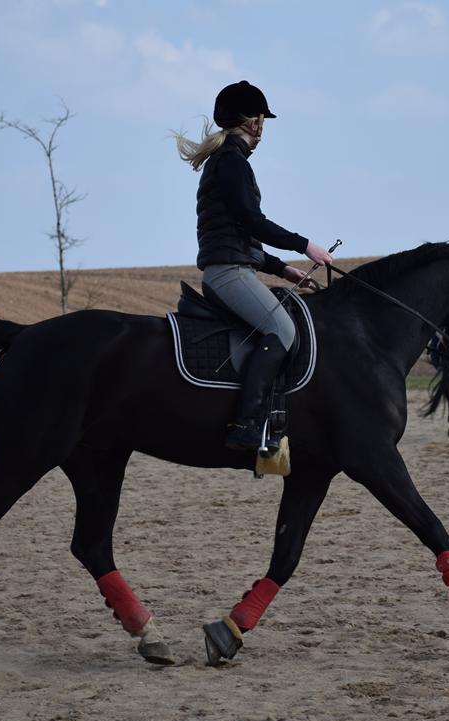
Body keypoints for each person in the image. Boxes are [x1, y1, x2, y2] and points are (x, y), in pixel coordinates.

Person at [175, 80, 334, 453]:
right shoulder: (230, 163)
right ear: (254, 122)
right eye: (263, 120)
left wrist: (284, 270)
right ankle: (245, 424)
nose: (264, 129)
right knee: (282, 329)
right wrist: (304, 245)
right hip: (228, 273)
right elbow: (251, 220)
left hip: (234, 267)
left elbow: (239, 235)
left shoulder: (230, 162)